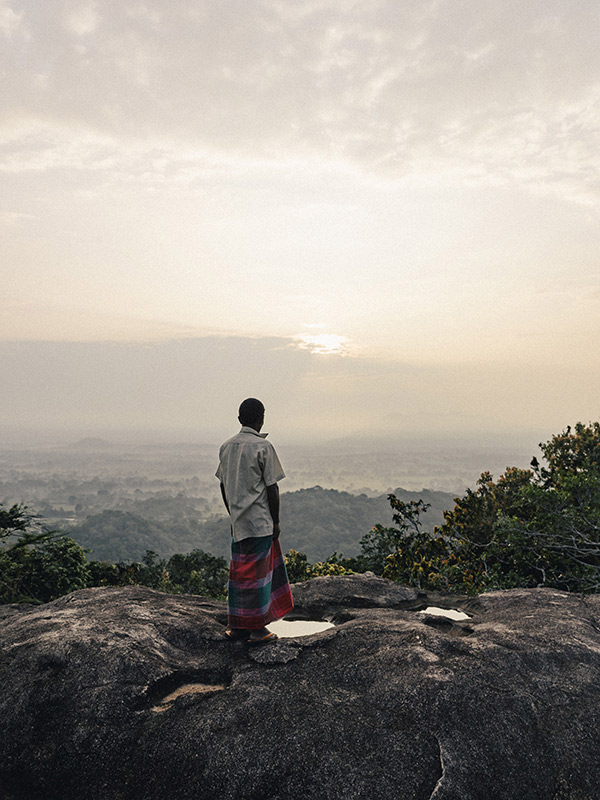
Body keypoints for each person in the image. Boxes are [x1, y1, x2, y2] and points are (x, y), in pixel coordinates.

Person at [216, 398, 293, 643]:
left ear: (240, 419)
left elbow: (222, 485)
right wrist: (276, 522)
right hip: (260, 523)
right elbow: (272, 488)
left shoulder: (226, 447)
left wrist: (233, 514)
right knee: (260, 577)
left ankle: (237, 626)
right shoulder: (264, 447)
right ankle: (258, 629)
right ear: (262, 418)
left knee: (240, 575)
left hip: (239, 523)